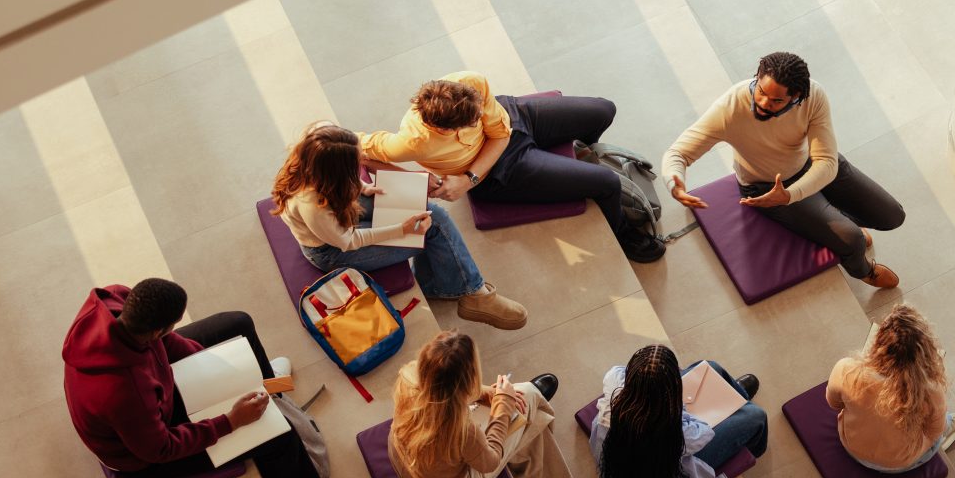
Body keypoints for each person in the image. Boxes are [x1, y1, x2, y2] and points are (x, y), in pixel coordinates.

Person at [62, 277, 356, 478]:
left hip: (153, 395)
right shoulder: (124, 393)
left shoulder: (115, 300)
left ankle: (269, 388)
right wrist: (231, 420)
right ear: (155, 331)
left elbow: (166, 342)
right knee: (277, 434)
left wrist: (213, 366)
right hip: (143, 454)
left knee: (237, 324)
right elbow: (160, 449)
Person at [357, 71, 666, 265]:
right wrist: (419, 178)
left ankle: (580, 153)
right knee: (606, 182)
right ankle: (622, 232)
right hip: (498, 170)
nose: (481, 117)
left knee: (604, 109)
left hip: (516, 117)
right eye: (474, 120)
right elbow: (356, 148)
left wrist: (468, 175)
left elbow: (500, 132)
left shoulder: (469, 82)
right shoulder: (411, 142)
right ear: (444, 129)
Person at [663, 50, 905, 289]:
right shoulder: (730, 108)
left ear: (796, 97)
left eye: (776, 100)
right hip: (767, 189)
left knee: (892, 216)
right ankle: (864, 271)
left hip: (811, 165)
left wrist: (792, 194)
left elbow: (826, 162)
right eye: (760, 91)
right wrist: (675, 182)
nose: (763, 103)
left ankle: (838, 218)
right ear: (757, 77)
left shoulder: (813, 96)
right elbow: (678, 153)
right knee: (853, 239)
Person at [271, 121, 528, 330]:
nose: (361, 162)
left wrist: (364, 188)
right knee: (431, 230)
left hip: (340, 212)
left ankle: (452, 286)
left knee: (431, 215)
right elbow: (348, 241)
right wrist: (401, 229)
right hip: (334, 250)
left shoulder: (312, 157)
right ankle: (471, 293)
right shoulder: (311, 205)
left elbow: (344, 179)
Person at [388, 330, 573, 478]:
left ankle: (526, 403)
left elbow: (445, 388)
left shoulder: (409, 376)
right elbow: (490, 462)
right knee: (529, 397)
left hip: (402, 461)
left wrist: (488, 393)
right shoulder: (461, 430)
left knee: (520, 408)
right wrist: (503, 405)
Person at [590, 344, 767, 478]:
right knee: (756, 416)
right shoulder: (675, 434)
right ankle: (751, 439)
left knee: (710, 366)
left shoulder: (615, 389)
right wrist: (677, 408)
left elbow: (616, 371)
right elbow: (704, 432)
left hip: (628, 460)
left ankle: (739, 396)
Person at [825, 304, 955, 472]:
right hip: (898, 464)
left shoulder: (846, 369)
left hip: (851, 445)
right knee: (939, 426)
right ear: (924, 355)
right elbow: (933, 432)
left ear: (879, 341)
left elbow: (834, 403)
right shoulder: (930, 392)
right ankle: (949, 429)